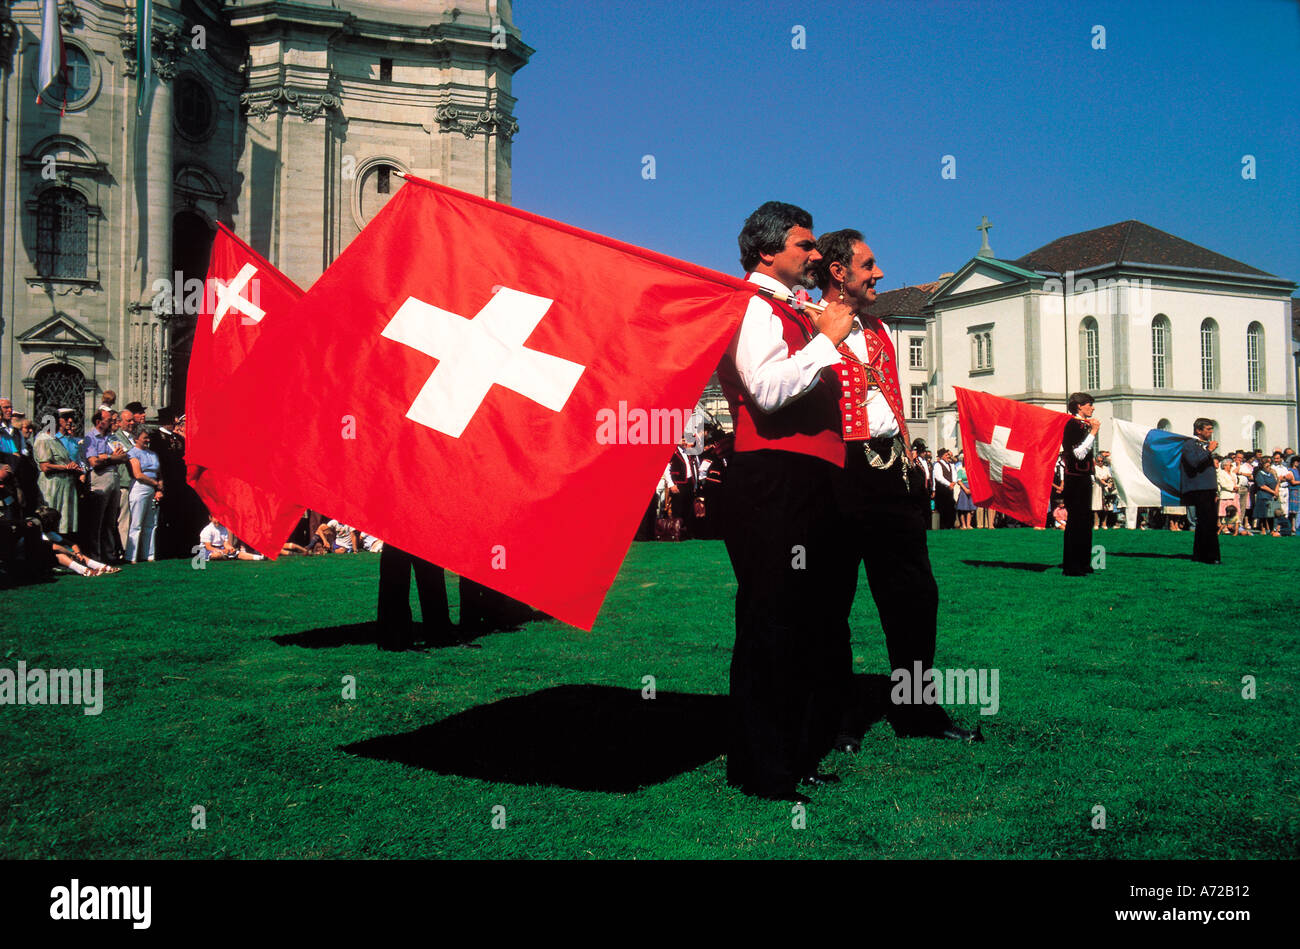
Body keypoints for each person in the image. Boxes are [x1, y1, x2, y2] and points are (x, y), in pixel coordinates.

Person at [813, 229, 978, 753]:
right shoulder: (807, 324)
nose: (879, 273)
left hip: (893, 473)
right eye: (869, 264)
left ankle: (917, 712)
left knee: (914, 596)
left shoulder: (881, 327)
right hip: (836, 473)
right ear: (838, 272)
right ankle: (835, 718)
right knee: (830, 600)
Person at [714, 201, 857, 802]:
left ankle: (790, 753)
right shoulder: (752, 304)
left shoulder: (793, 308)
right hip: (775, 478)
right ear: (768, 250)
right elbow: (767, 392)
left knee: (804, 622)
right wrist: (825, 343)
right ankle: (762, 766)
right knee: (771, 621)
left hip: (809, 478)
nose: (817, 256)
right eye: (804, 245)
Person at [377, 545, 454, 651]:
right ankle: (396, 640)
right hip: (397, 534)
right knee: (396, 580)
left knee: (433, 578)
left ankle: (441, 635)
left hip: (422, 534)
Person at [82, 409, 130, 563]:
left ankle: (109, 555)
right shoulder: (90, 437)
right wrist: (111, 457)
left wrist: (106, 458)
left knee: (110, 520)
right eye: (109, 420)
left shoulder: (112, 436)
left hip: (113, 476)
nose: (112, 423)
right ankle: (95, 555)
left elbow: (123, 456)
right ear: (99, 422)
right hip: (99, 478)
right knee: (97, 520)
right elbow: (94, 462)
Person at [1060, 393, 1099, 575]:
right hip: (1074, 478)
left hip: (1084, 478)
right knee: (1075, 521)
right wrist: (1093, 433)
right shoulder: (1072, 425)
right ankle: (1072, 564)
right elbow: (1078, 454)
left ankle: (1084, 562)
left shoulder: (1083, 425)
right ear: (1079, 407)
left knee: (1085, 521)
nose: (1092, 408)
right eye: (1089, 405)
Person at [34, 409, 83, 546]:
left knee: (63, 522)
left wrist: (70, 466)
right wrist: (66, 467)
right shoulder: (43, 439)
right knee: (50, 519)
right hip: (52, 486)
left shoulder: (55, 439)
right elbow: (45, 466)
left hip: (64, 484)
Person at [1180, 418, 1219, 564]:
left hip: (1208, 488)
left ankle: (1203, 555)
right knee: (1205, 522)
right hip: (1199, 488)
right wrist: (1208, 450)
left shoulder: (1204, 445)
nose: (1211, 432)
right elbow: (1193, 462)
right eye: (1208, 429)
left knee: (1209, 522)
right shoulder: (1190, 444)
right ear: (1198, 430)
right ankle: (1207, 555)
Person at [125, 428, 163, 563]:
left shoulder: (153, 454)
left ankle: (149, 554)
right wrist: (154, 483)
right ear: (136, 439)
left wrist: (159, 488)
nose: (147, 440)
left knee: (151, 523)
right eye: (144, 438)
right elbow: (138, 474)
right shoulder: (132, 453)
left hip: (153, 489)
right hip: (139, 488)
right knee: (136, 523)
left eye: (148, 438)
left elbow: (159, 473)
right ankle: (131, 556)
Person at [199, 516, 266, 561]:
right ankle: (224, 556)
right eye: (215, 518)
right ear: (210, 518)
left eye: (219, 518)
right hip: (208, 549)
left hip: (221, 548)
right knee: (216, 555)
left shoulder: (223, 528)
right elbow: (208, 547)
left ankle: (259, 557)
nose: (217, 521)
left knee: (238, 553)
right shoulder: (207, 530)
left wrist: (230, 548)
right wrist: (222, 551)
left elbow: (225, 543)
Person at [932, 448, 957, 529]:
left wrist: (953, 482)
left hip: (950, 490)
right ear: (942, 456)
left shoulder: (950, 465)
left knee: (951, 507)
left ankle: (950, 525)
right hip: (942, 490)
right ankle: (943, 526)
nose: (948, 456)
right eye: (946, 455)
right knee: (942, 508)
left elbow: (954, 474)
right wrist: (949, 484)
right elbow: (939, 477)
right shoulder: (937, 464)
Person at [1092, 451, 1115, 529]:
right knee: (1096, 506)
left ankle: (1104, 523)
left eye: (1102, 461)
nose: (1100, 462)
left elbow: (1109, 476)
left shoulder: (1106, 468)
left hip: (1106, 488)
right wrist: (1105, 483)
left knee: (1106, 506)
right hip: (1098, 487)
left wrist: (1110, 483)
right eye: (1098, 461)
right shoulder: (1095, 468)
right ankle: (1096, 523)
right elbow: (1098, 478)